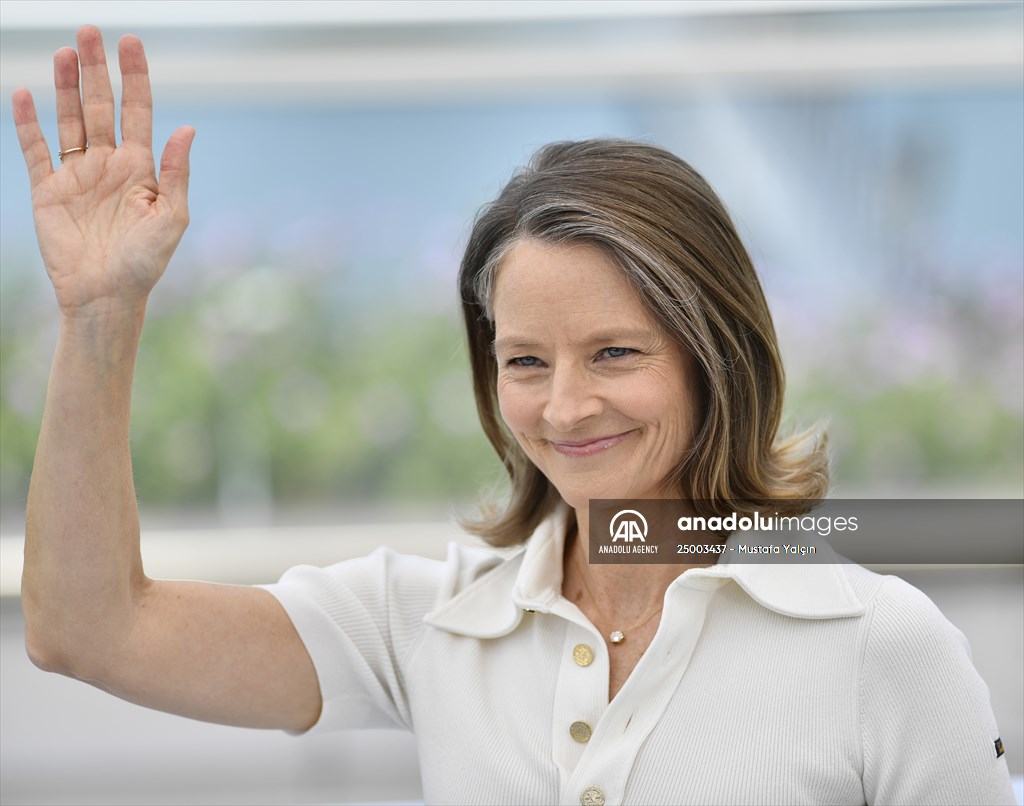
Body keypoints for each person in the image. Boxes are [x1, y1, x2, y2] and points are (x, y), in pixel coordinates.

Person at [12, 26, 1014, 806]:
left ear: (719, 358)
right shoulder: (429, 622)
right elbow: (88, 628)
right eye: (524, 361)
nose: (565, 404)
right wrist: (102, 312)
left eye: (614, 353)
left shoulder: (878, 642)